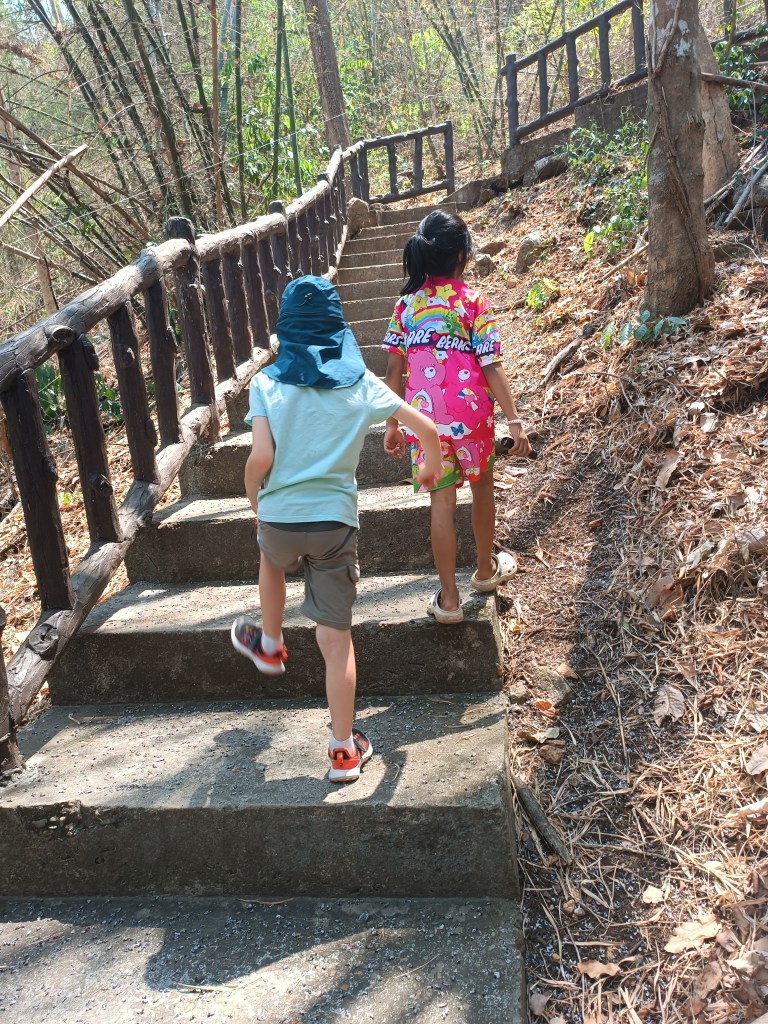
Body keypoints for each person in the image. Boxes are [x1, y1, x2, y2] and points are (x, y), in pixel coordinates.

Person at [230, 275, 442, 783]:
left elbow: (261, 457)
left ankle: (271, 642)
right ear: (339, 329)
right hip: (334, 524)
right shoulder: (359, 382)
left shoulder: (266, 384)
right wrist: (429, 464)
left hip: (279, 518)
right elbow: (427, 428)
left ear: (285, 331)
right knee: (336, 639)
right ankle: (344, 751)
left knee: (270, 560)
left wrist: (254, 496)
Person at [382, 210, 531, 624]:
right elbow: (490, 365)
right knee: (482, 487)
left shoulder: (405, 306)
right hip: (471, 413)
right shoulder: (473, 302)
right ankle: (484, 571)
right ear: (461, 256)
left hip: (422, 420)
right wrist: (514, 420)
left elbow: (393, 370)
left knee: (441, 502)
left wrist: (392, 423)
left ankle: (449, 600)